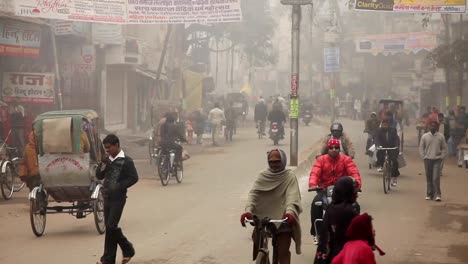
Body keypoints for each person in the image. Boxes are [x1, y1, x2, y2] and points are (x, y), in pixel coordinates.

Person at [241, 149, 302, 264]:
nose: (274, 164)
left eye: (277, 161)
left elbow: (292, 197)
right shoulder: (262, 176)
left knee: (283, 253)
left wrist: (290, 212)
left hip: (283, 219)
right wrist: (248, 211)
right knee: (257, 238)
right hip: (264, 219)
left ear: (283, 161)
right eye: (271, 162)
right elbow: (254, 194)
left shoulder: (289, 177)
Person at [96, 134, 138, 264]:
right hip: (107, 197)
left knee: (110, 226)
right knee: (110, 228)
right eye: (105, 148)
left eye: (109, 148)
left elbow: (134, 178)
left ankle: (123, 251)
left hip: (118, 198)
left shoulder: (127, 161)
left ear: (116, 145)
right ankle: (114, 257)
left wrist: (120, 186)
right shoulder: (107, 160)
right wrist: (102, 164)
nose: (107, 150)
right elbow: (99, 175)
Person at [309, 139, 362, 242]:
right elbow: (315, 173)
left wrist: (357, 184)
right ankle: (317, 232)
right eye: (331, 148)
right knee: (316, 203)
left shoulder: (346, 160)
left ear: (339, 149)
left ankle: (355, 231)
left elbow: (354, 173)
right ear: (327, 149)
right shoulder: (321, 160)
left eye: (336, 148)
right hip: (324, 190)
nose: (334, 150)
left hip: (343, 192)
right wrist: (312, 184)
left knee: (356, 206)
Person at [314, 177, 359, 264]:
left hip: (327, 256)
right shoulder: (349, 211)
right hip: (343, 256)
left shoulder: (331, 208)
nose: (356, 195)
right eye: (354, 192)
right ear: (347, 193)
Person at [419, 120, 447, 202]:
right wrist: (423, 156)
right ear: (428, 127)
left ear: (437, 127)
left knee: (435, 178)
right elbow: (421, 147)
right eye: (431, 125)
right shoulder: (425, 136)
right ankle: (429, 194)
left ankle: (437, 194)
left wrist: (442, 157)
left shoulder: (441, 136)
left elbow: (444, 148)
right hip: (427, 160)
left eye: (434, 126)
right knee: (429, 178)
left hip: (437, 160)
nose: (433, 127)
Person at [375, 119, 400, 186]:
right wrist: (378, 145)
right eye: (384, 124)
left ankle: (394, 177)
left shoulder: (393, 130)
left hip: (392, 147)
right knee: (379, 155)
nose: (385, 126)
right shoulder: (379, 130)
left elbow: (396, 139)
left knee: (394, 161)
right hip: (382, 146)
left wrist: (396, 146)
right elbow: (377, 139)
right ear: (382, 125)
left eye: (386, 124)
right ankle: (382, 166)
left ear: (389, 125)